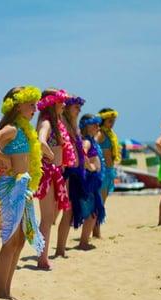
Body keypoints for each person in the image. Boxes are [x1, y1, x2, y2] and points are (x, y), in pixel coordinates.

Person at [0, 86, 45, 299]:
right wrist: (3, 157)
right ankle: (0, 291)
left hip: (23, 187)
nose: (35, 108)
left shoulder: (24, 129)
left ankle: (6, 290)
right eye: (31, 104)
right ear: (17, 106)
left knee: (20, 240)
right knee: (10, 240)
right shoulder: (12, 129)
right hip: (11, 187)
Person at [35, 89, 74, 269]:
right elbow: (40, 141)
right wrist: (50, 156)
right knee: (46, 218)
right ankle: (42, 258)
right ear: (52, 103)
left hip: (55, 172)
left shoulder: (55, 122)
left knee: (49, 217)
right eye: (61, 102)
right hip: (48, 173)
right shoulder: (46, 122)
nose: (64, 105)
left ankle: (42, 256)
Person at [55, 94, 87, 257]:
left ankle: (61, 247)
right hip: (67, 171)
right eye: (76, 107)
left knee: (70, 211)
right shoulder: (62, 123)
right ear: (67, 107)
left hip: (76, 171)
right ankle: (60, 249)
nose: (79, 110)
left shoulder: (74, 126)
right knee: (66, 210)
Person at [79, 115, 106, 248]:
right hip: (89, 181)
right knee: (91, 213)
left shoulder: (92, 140)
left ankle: (85, 240)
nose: (97, 127)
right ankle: (83, 241)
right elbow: (82, 154)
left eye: (98, 124)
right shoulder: (87, 141)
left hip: (93, 181)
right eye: (94, 124)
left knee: (93, 211)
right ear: (86, 126)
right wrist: (91, 167)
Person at [94, 107, 121, 238]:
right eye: (109, 121)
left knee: (102, 202)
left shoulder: (110, 134)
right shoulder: (101, 134)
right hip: (103, 171)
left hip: (109, 171)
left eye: (113, 121)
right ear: (103, 120)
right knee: (100, 202)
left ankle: (96, 230)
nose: (112, 123)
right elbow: (92, 143)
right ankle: (96, 231)